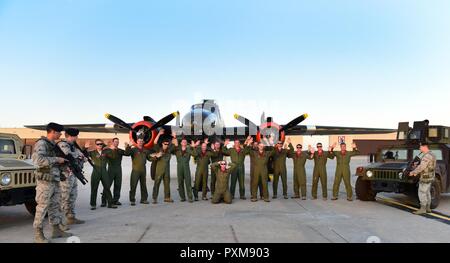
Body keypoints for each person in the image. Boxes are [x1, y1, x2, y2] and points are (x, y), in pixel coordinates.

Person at [32, 122, 72, 243]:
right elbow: (38, 160)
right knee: (42, 207)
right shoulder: (41, 143)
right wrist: (57, 159)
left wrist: (64, 166)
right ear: (53, 132)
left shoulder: (53, 145)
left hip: (54, 179)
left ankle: (56, 230)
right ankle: (38, 234)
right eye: (59, 132)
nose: (60, 134)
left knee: (55, 205)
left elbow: (54, 163)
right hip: (45, 182)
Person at [57, 127, 85, 226]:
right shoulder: (63, 144)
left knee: (73, 196)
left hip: (73, 174)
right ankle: (59, 222)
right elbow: (68, 155)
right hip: (65, 174)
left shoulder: (73, 145)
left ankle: (71, 217)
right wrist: (78, 155)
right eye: (75, 136)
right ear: (69, 136)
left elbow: (82, 157)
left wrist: (80, 156)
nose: (76, 137)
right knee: (64, 198)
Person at [86, 139, 117, 210]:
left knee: (107, 188)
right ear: (95, 145)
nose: (99, 145)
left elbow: (113, 156)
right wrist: (85, 148)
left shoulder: (106, 151)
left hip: (104, 172)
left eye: (101, 144)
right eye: (98, 144)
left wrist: (112, 149)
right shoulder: (92, 152)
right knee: (94, 188)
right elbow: (84, 154)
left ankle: (110, 203)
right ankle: (93, 204)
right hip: (96, 171)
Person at [408, 142, 437, 214]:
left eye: (420, 147)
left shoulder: (426, 156)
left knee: (421, 192)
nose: (419, 148)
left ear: (425, 147)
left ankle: (423, 209)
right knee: (427, 192)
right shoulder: (432, 154)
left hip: (425, 177)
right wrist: (417, 165)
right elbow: (427, 165)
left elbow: (422, 167)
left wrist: (413, 172)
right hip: (430, 176)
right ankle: (428, 208)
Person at [124, 138, 154, 206]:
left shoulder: (145, 150)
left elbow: (149, 158)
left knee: (143, 185)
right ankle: (132, 200)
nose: (140, 142)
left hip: (143, 169)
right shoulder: (133, 149)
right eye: (139, 141)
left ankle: (144, 199)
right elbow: (127, 153)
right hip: (135, 170)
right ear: (137, 142)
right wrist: (128, 146)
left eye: (141, 141)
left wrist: (155, 157)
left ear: (143, 142)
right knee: (133, 185)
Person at [150, 130, 176, 204]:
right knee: (157, 183)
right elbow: (154, 142)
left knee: (167, 183)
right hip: (159, 170)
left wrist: (174, 136)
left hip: (167, 170)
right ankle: (155, 198)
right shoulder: (158, 149)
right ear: (162, 144)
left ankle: (167, 197)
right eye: (165, 144)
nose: (166, 145)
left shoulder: (169, 150)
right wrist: (158, 134)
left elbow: (175, 144)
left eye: (167, 144)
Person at [245, 137, 273, 202]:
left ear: (264, 146)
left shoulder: (267, 153)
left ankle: (266, 197)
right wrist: (248, 143)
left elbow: (273, 151)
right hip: (256, 170)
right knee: (255, 184)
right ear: (258, 146)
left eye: (262, 146)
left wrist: (271, 143)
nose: (261, 147)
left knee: (265, 184)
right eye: (260, 145)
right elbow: (246, 151)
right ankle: (254, 197)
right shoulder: (254, 153)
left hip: (264, 170)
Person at [103, 138, 126, 206]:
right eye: (115, 142)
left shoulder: (120, 150)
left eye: (118, 142)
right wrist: (105, 145)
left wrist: (128, 146)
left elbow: (127, 153)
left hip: (118, 169)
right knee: (107, 185)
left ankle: (116, 200)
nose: (117, 143)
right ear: (113, 142)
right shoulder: (107, 150)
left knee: (118, 185)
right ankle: (103, 200)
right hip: (111, 169)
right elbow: (102, 151)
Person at [172, 137, 195, 202]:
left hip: (186, 167)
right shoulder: (177, 150)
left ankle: (190, 197)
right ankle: (182, 197)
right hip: (179, 167)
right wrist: (174, 142)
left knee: (188, 182)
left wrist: (193, 147)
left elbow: (195, 154)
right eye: (183, 142)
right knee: (180, 182)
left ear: (186, 143)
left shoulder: (189, 149)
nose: (184, 142)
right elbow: (171, 150)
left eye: (185, 142)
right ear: (181, 143)